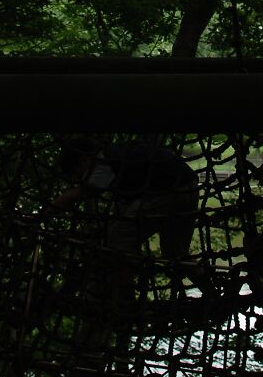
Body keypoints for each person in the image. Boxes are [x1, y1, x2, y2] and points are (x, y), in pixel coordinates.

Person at [47, 135, 204, 314]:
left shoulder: (102, 163)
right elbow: (128, 201)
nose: (78, 179)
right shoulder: (119, 158)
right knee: (175, 253)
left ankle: (126, 303)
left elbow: (76, 194)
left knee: (118, 239)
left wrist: (40, 215)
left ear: (83, 161)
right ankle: (210, 287)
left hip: (168, 191)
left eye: (77, 175)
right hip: (187, 187)